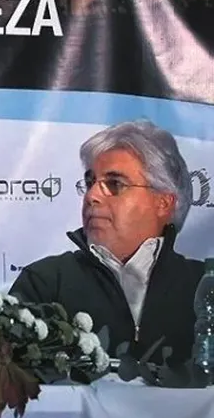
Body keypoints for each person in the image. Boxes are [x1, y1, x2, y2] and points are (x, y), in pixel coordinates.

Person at [10, 120, 202, 363]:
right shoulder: (45, 282)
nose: (91, 196)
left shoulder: (204, 286)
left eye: (115, 184)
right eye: (90, 182)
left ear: (163, 203)